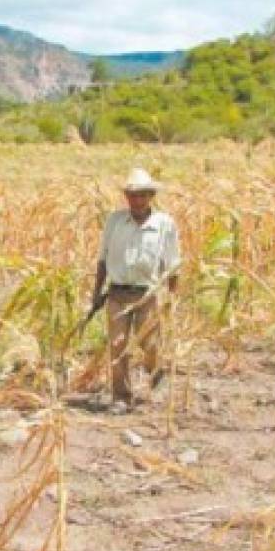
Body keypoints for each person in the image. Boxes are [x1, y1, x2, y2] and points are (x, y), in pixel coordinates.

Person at [89, 167, 181, 413]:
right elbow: (103, 259)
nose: (137, 200)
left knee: (150, 345)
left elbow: (172, 264)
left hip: (146, 294)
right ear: (126, 197)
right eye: (132, 195)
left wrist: (172, 299)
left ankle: (157, 378)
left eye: (142, 195)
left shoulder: (164, 224)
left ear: (151, 196)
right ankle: (121, 396)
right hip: (117, 293)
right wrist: (96, 292)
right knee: (118, 347)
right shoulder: (115, 221)